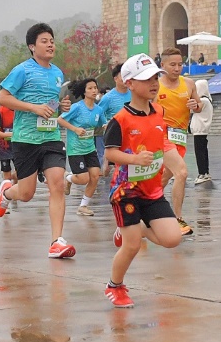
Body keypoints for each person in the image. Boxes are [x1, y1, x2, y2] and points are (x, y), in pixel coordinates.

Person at [103, 53, 184, 308]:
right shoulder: (120, 120)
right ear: (129, 83)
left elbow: (160, 140)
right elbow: (109, 153)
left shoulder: (159, 111)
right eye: (145, 79)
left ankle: (134, 228)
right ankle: (115, 286)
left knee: (172, 239)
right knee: (131, 246)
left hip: (153, 190)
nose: (153, 83)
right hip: (126, 191)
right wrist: (135, 160)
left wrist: (171, 160)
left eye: (155, 78)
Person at [0, 23, 75, 259]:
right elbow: (2, 97)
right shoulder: (22, 70)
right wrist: (32, 108)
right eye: (44, 41)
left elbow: (50, 106)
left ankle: (56, 241)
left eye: (52, 40)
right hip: (26, 139)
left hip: (51, 137)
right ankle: (7, 193)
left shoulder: (57, 73)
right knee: (27, 193)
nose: (50, 44)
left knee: (57, 183)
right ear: (32, 46)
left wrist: (61, 106)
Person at [153, 47, 199, 236]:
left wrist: (196, 105)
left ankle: (140, 209)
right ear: (162, 66)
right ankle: (177, 219)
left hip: (180, 137)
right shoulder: (155, 86)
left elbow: (199, 105)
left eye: (180, 64)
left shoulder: (188, 84)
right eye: (172, 65)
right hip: (161, 136)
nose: (177, 68)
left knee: (162, 179)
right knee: (182, 173)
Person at [59, 78, 103, 216]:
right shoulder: (77, 107)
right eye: (90, 88)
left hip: (90, 148)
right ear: (84, 92)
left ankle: (83, 206)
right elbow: (60, 119)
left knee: (95, 176)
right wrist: (75, 129)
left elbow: (103, 123)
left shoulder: (98, 109)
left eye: (95, 88)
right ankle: (67, 178)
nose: (94, 90)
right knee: (84, 179)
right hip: (75, 149)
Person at [189, 78, 214, 185]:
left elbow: (191, 108)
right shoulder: (207, 100)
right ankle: (205, 172)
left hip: (200, 131)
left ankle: (202, 173)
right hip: (201, 131)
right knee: (203, 152)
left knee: (199, 153)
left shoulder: (203, 101)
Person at [0, 102, 16, 185]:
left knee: (20, 173)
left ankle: (16, 189)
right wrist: (12, 134)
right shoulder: (1, 111)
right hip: (4, 149)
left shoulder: (22, 111)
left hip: (19, 147)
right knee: (6, 174)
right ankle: (7, 191)